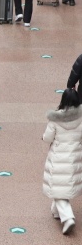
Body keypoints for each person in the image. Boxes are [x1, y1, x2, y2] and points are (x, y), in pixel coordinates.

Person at [42, 88, 82, 234]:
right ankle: (57, 212)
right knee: (64, 184)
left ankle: (68, 217)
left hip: (59, 157)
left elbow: (47, 137)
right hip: (75, 158)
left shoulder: (55, 118)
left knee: (58, 187)